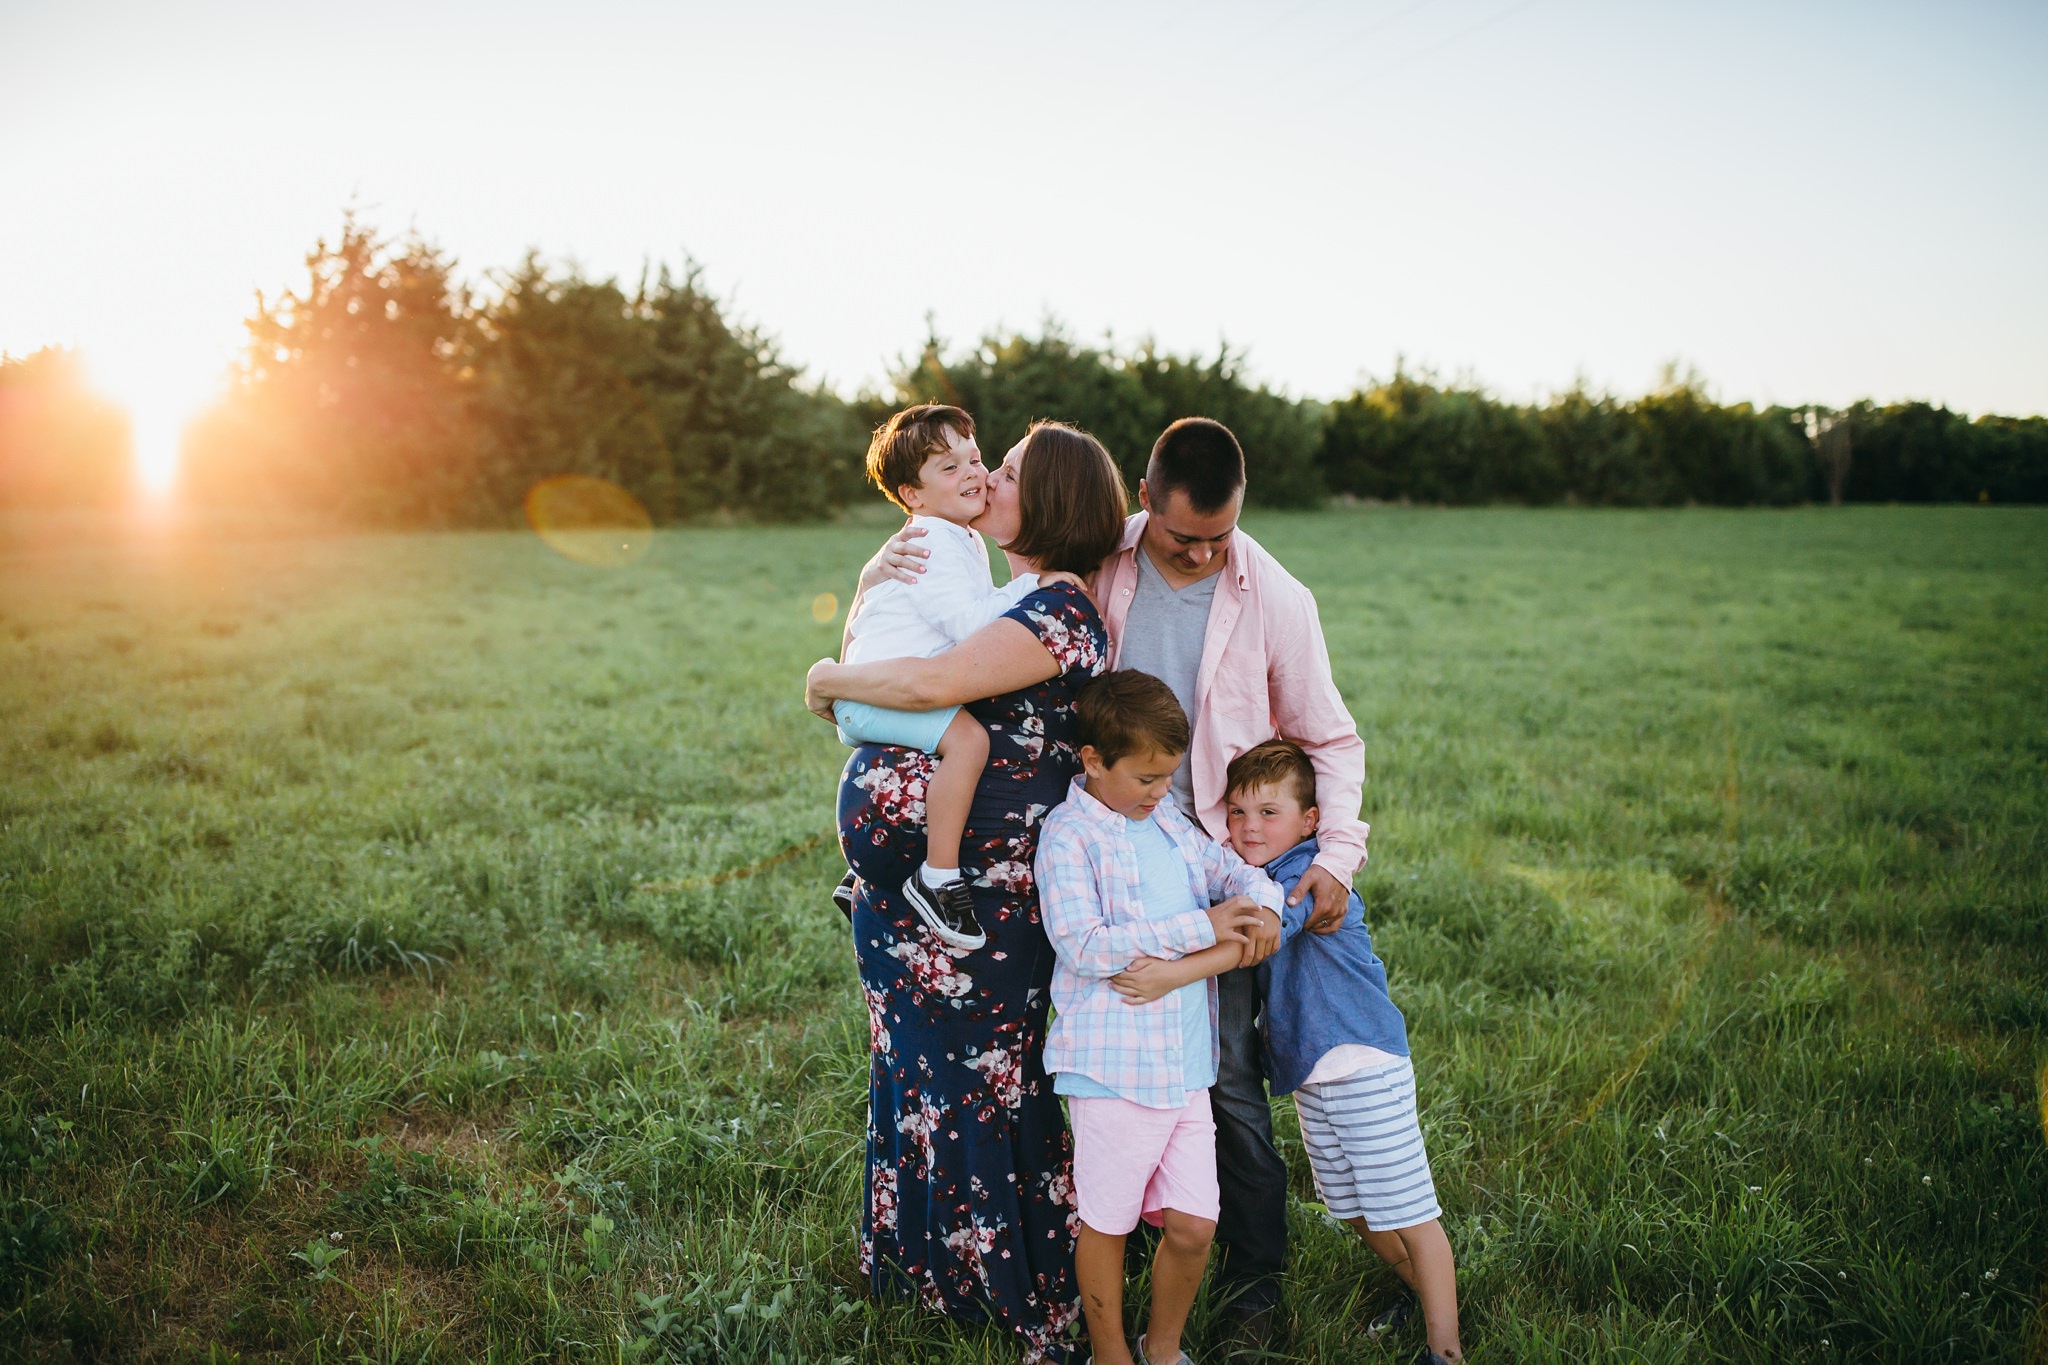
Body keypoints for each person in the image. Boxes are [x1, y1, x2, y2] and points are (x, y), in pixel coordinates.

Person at [870, 416, 1368, 1347]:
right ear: (1146, 505)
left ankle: (1253, 1283)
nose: (1208, 551)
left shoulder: (1276, 597)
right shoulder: (1106, 562)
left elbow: (1329, 738)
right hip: (1096, 850)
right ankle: (1116, 1241)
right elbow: (998, 616)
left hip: (1204, 865)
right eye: (1188, 537)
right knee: (1104, 1076)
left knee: (1222, 1083)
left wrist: (1331, 857)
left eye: (1223, 534)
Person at [804, 420, 1129, 1365]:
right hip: (914, 898)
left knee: (983, 1082)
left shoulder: (1059, 611)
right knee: (915, 1070)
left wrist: (826, 679)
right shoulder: (1007, 589)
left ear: (1056, 500)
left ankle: (1011, 1289)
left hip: (980, 904)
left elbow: (935, 678)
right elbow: (904, 639)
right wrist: (868, 587)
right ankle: (920, 1273)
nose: (989, 478)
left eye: (1012, 471)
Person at [1034, 670, 1281, 1365]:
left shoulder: (1167, 820)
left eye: (1166, 776)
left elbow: (1229, 869)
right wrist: (1199, 927)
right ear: (1092, 760)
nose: (1157, 791)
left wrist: (1262, 904)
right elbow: (1082, 945)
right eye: (1145, 776)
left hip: (1184, 1064)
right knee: (1106, 1222)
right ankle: (1111, 1353)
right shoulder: (1069, 835)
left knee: (1196, 1222)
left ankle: (1161, 1349)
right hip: (1112, 1067)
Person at [1226, 740, 1464, 1364]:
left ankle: (1447, 1349)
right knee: (1352, 1209)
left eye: (1268, 813)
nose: (1250, 828)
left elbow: (1263, 933)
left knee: (1408, 1211)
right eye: (1238, 813)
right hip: (1313, 1074)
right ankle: (1420, 1292)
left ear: (1309, 822)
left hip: (1361, 1065)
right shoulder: (1256, 875)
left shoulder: (1310, 880)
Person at [831, 403, 1080, 951]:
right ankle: (937, 876)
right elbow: (970, 623)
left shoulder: (958, 537)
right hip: (874, 692)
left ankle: (874, 875)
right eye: (950, 467)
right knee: (967, 740)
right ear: (911, 495)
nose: (974, 473)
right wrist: (1036, 583)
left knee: (955, 739)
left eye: (976, 458)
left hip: (878, 686)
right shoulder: (932, 542)